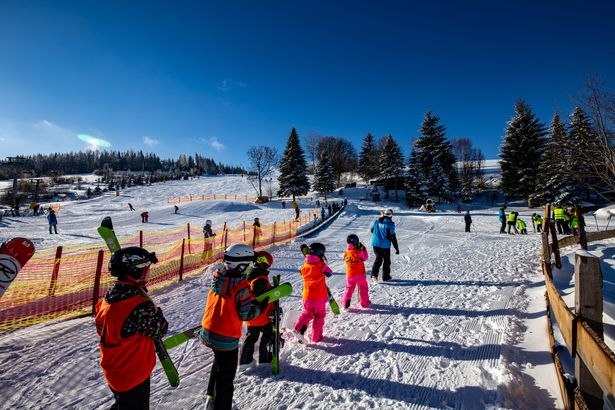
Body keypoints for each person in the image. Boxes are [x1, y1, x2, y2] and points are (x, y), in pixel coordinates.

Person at [95, 246, 167, 409]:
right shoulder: (138, 306)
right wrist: (156, 311)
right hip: (133, 375)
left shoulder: (109, 298)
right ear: (136, 272)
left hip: (113, 371)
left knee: (124, 403)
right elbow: (160, 329)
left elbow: (102, 328)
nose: (148, 273)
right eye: (146, 270)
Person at [199, 244, 267, 410]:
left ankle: (211, 398)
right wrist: (261, 305)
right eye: (249, 265)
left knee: (218, 364)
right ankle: (222, 405)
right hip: (226, 338)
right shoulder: (241, 287)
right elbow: (246, 314)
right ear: (242, 266)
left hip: (208, 332)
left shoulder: (218, 277)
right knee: (226, 378)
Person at [239, 251, 274, 369]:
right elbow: (260, 296)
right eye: (268, 264)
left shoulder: (249, 274)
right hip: (261, 315)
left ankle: (245, 362)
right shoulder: (260, 278)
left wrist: (271, 289)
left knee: (251, 337)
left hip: (251, 314)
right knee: (268, 334)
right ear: (264, 264)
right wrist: (272, 293)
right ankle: (265, 359)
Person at [293, 243, 333, 344]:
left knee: (307, 314)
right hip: (319, 298)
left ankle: (298, 329)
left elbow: (301, 271)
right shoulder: (321, 265)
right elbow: (329, 273)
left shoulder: (304, 265)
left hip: (307, 297)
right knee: (319, 316)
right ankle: (316, 337)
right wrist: (322, 263)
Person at [370, 209, 399, 282]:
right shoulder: (390, 224)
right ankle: (385, 276)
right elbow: (392, 237)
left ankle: (374, 275)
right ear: (391, 215)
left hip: (375, 244)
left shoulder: (376, 221)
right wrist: (396, 248)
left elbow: (372, 230)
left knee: (378, 259)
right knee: (387, 261)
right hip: (385, 246)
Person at [342, 234, 370, 309]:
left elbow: (345, 258)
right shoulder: (358, 251)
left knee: (349, 289)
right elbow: (365, 257)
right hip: (359, 274)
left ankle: (345, 303)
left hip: (350, 275)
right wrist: (364, 249)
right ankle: (364, 303)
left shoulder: (346, 252)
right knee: (363, 288)